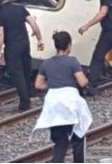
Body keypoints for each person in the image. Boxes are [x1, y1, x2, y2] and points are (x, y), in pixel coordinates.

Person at [33, 31, 93, 163]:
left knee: (60, 142)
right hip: (70, 102)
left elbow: (38, 85)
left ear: (56, 46)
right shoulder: (72, 61)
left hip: (53, 103)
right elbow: (82, 82)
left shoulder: (46, 63)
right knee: (78, 136)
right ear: (69, 45)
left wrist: (51, 84)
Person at [0, 0, 45, 111]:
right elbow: (33, 23)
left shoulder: (0, 13)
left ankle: (25, 102)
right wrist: (39, 39)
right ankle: (28, 93)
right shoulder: (20, 8)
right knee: (26, 70)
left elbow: (0, 34)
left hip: (12, 47)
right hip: (25, 44)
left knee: (16, 73)